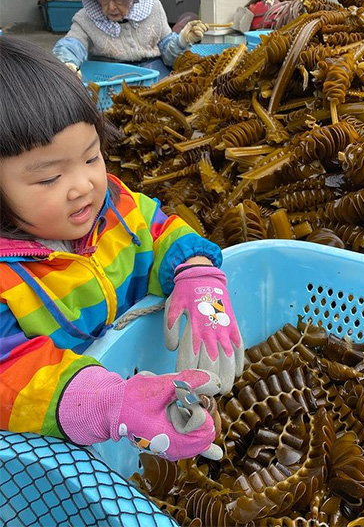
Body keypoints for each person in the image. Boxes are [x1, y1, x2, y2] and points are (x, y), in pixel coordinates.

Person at [0, 36, 244, 461]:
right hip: (63, 443)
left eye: (92, 157)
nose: (84, 186)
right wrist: (106, 402)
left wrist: (197, 270)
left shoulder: (115, 206)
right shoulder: (7, 281)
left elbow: (161, 230)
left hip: (141, 393)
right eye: (48, 178)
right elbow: (10, 375)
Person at [52, 0, 208, 79]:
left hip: (155, 76)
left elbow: (169, 55)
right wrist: (67, 63)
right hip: (110, 79)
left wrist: (182, 41)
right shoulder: (85, 19)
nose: (111, 6)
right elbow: (72, 45)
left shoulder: (153, 9)